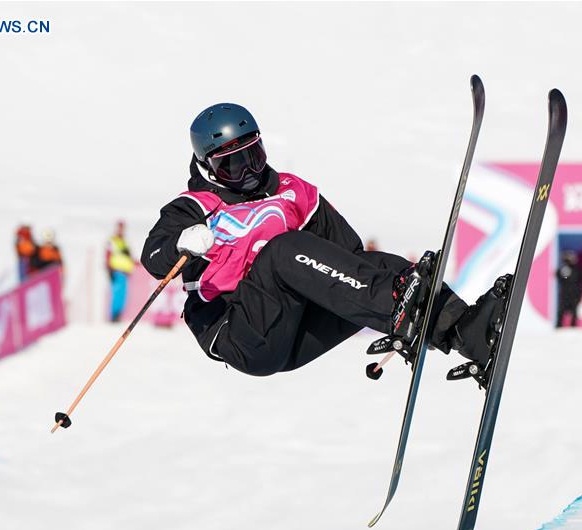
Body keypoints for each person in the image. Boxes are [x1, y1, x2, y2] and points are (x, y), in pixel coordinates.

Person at [141, 103, 508, 376]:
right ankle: (401, 310)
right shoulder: (196, 206)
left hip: (297, 328)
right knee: (283, 250)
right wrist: (180, 243)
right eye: (233, 165)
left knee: (382, 266)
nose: (250, 172)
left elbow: (348, 256)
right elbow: (153, 256)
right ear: (208, 167)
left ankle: (462, 329)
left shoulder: (291, 190)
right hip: (243, 335)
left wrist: (399, 290)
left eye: (254, 156)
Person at [106, 221, 136, 322]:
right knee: (117, 294)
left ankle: (118, 315)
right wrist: (109, 269)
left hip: (124, 272)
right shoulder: (113, 240)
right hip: (117, 270)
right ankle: (114, 315)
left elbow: (129, 257)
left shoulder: (125, 241)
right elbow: (108, 254)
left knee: (122, 295)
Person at [555, 250, 582, 327]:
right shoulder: (563, 269)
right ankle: (559, 324)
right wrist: (565, 273)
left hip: (574, 293)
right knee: (562, 309)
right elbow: (560, 277)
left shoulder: (576, 269)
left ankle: (573, 325)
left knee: (574, 310)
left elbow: (579, 278)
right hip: (565, 292)